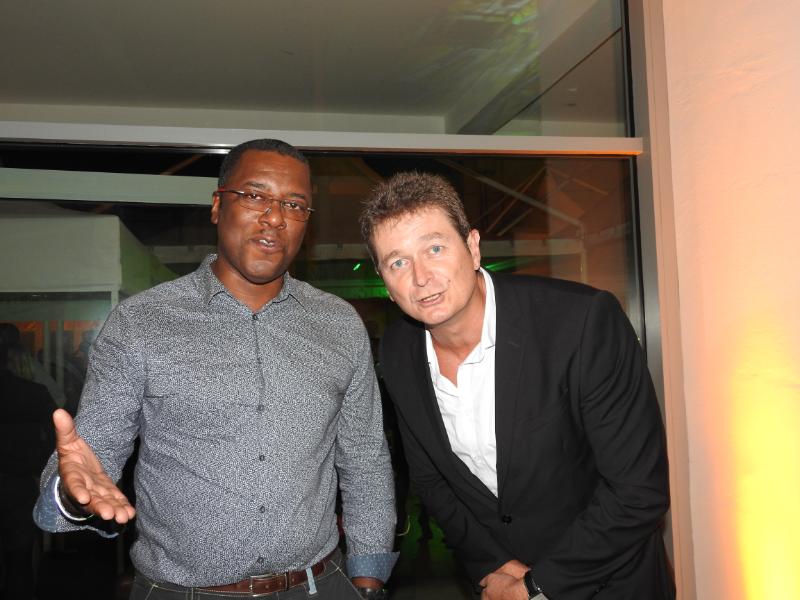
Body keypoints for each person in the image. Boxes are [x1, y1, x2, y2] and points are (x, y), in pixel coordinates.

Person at [34, 139, 397, 600]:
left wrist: (368, 580)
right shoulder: (142, 322)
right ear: (217, 205)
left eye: (294, 204)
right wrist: (71, 495)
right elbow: (90, 459)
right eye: (255, 195)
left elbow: (365, 460)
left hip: (318, 586)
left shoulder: (339, 324)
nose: (274, 217)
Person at [359, 172, 674, 600]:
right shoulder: (399, 349)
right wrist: (494, 566)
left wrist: (536, 585)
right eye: (398, 262)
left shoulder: (581, 322)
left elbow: (638, 491)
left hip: (609, 583)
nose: (421, 277)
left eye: (434, 248)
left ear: (472, 247)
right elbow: (432, 480)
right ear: (383, 279)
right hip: (499, 583)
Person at [0, 337, 57, 600]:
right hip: (21, 483)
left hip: (20, 480)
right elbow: (56, 437)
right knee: (20, 557)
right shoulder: (33, 392)